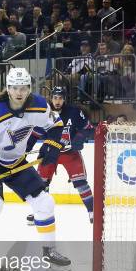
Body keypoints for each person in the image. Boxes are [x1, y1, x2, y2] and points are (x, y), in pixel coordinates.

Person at [0, 68, 70, 270]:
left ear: (29, 88)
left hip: (17, 161)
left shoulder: (39, 105)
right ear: (8, 88)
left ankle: (49, 251)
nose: (19, 92)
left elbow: (56, 125)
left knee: (45, 202)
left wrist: (53, 147)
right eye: (14, 88)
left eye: (23, 88)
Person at [26, 87, 95, 225]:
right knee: (41, 184)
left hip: (70, 154)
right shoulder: (45, 113)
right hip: (51, 152)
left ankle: (92, 212)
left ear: (64, 99)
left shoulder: (74, 112)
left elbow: (88, 128)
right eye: (55, 98)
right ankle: (40, 212)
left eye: (60, 98)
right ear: (51, 98)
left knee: (80, 183)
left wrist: (79, 138)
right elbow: (35, 134)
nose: (57, 101)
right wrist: (26, 149)